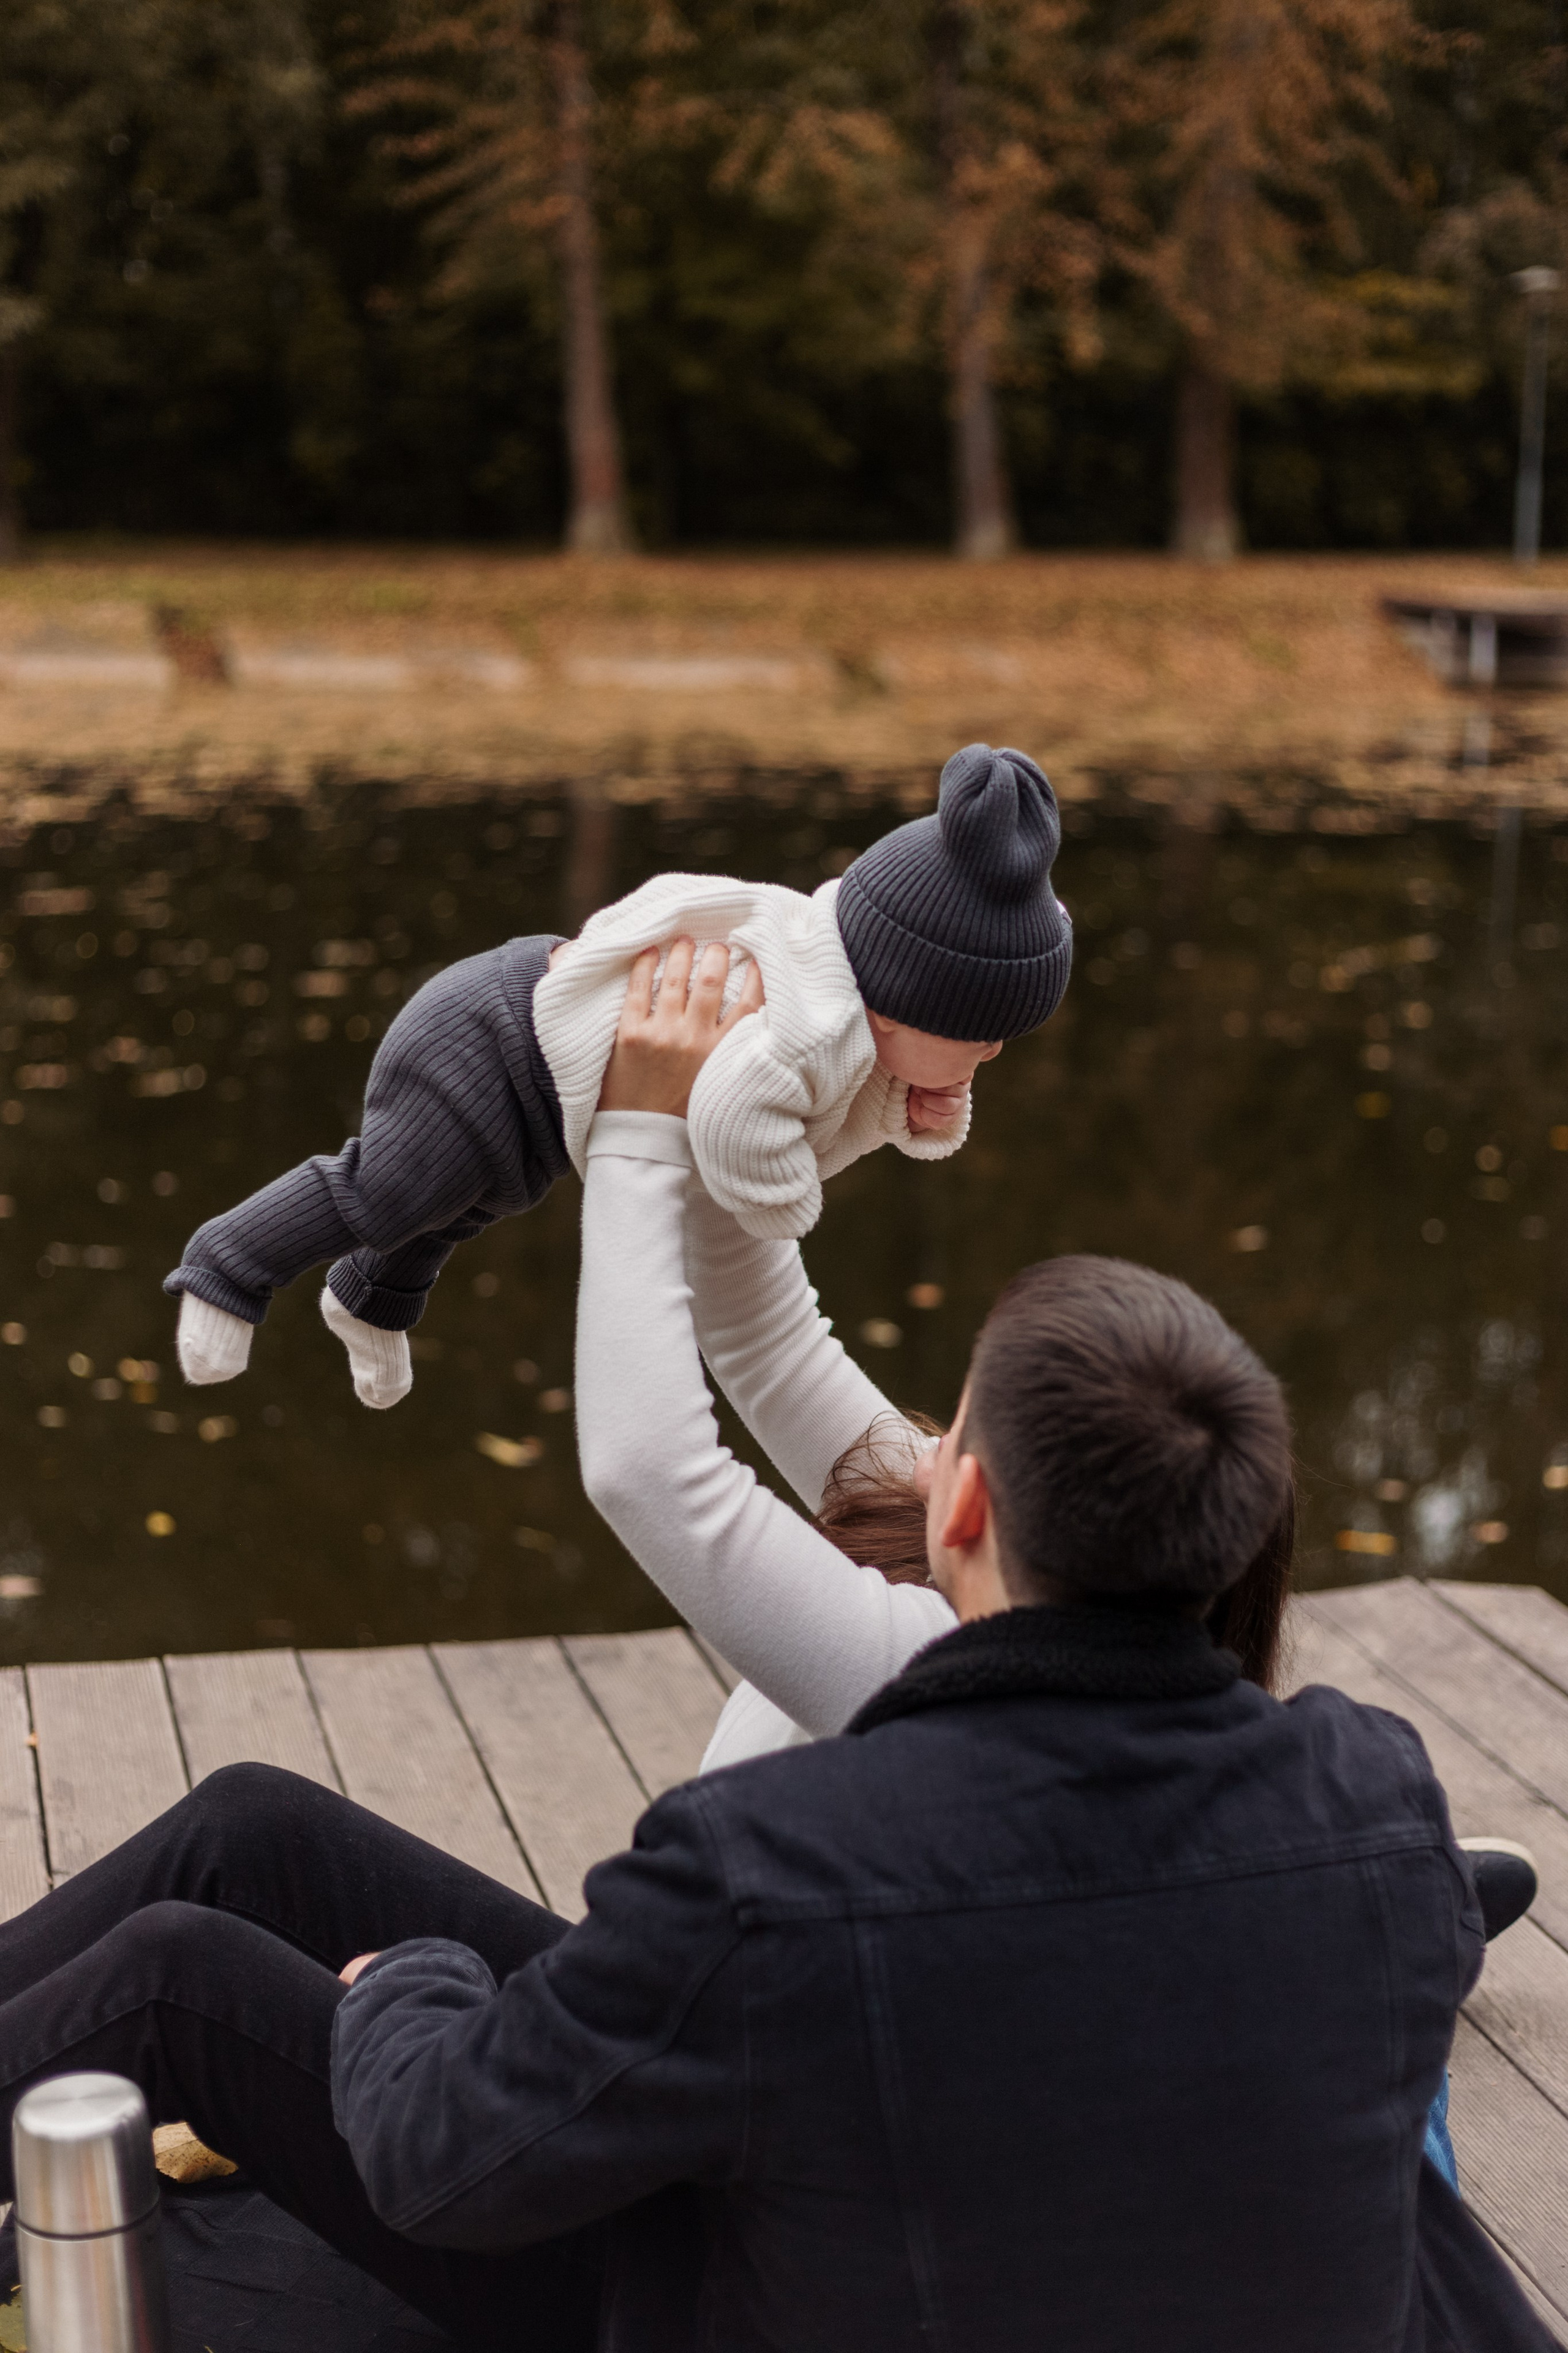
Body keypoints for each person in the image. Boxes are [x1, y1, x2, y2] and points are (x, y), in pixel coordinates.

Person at [0, 942, 1549, 2352]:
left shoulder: (777, 1857)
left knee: (174, 1978)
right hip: (861, 2135)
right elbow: (769, 1344)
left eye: (944, 1426)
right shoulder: (1374, 1792)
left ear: (966, 1502)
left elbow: (438, 2153)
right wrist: (708, 1127)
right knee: (254, 1825)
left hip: (727, 2272)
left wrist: (408, 1982)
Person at [164, 741, 1072, 1407]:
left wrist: (921, 1106)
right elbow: (732, 1121)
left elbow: (850, 1104)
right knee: (391, 1186)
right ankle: (227, 1265)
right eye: (984, 1039)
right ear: (899, 1006)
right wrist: (789, 1207)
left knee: (462, 1204)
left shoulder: (846, 984)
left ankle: (372, 1298)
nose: (993, 1056)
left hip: (545, 1092)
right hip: (493, 1037)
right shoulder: (809, 1025)